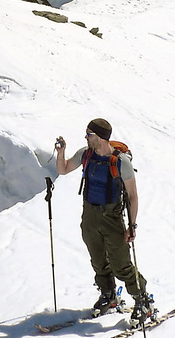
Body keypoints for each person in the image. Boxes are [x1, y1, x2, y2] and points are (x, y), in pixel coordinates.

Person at [55, 117, 148, 317]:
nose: (86, 137)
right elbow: (62, 170)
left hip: (112, 218)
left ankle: (143, 299)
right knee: (98, 261)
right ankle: (108, 294)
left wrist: (132, 226)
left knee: (121, 265)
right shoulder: (85, 154)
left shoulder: (121, 162)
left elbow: (132, 196)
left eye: (89, 134)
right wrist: (61, 153)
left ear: (101, 137)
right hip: (89, 216)